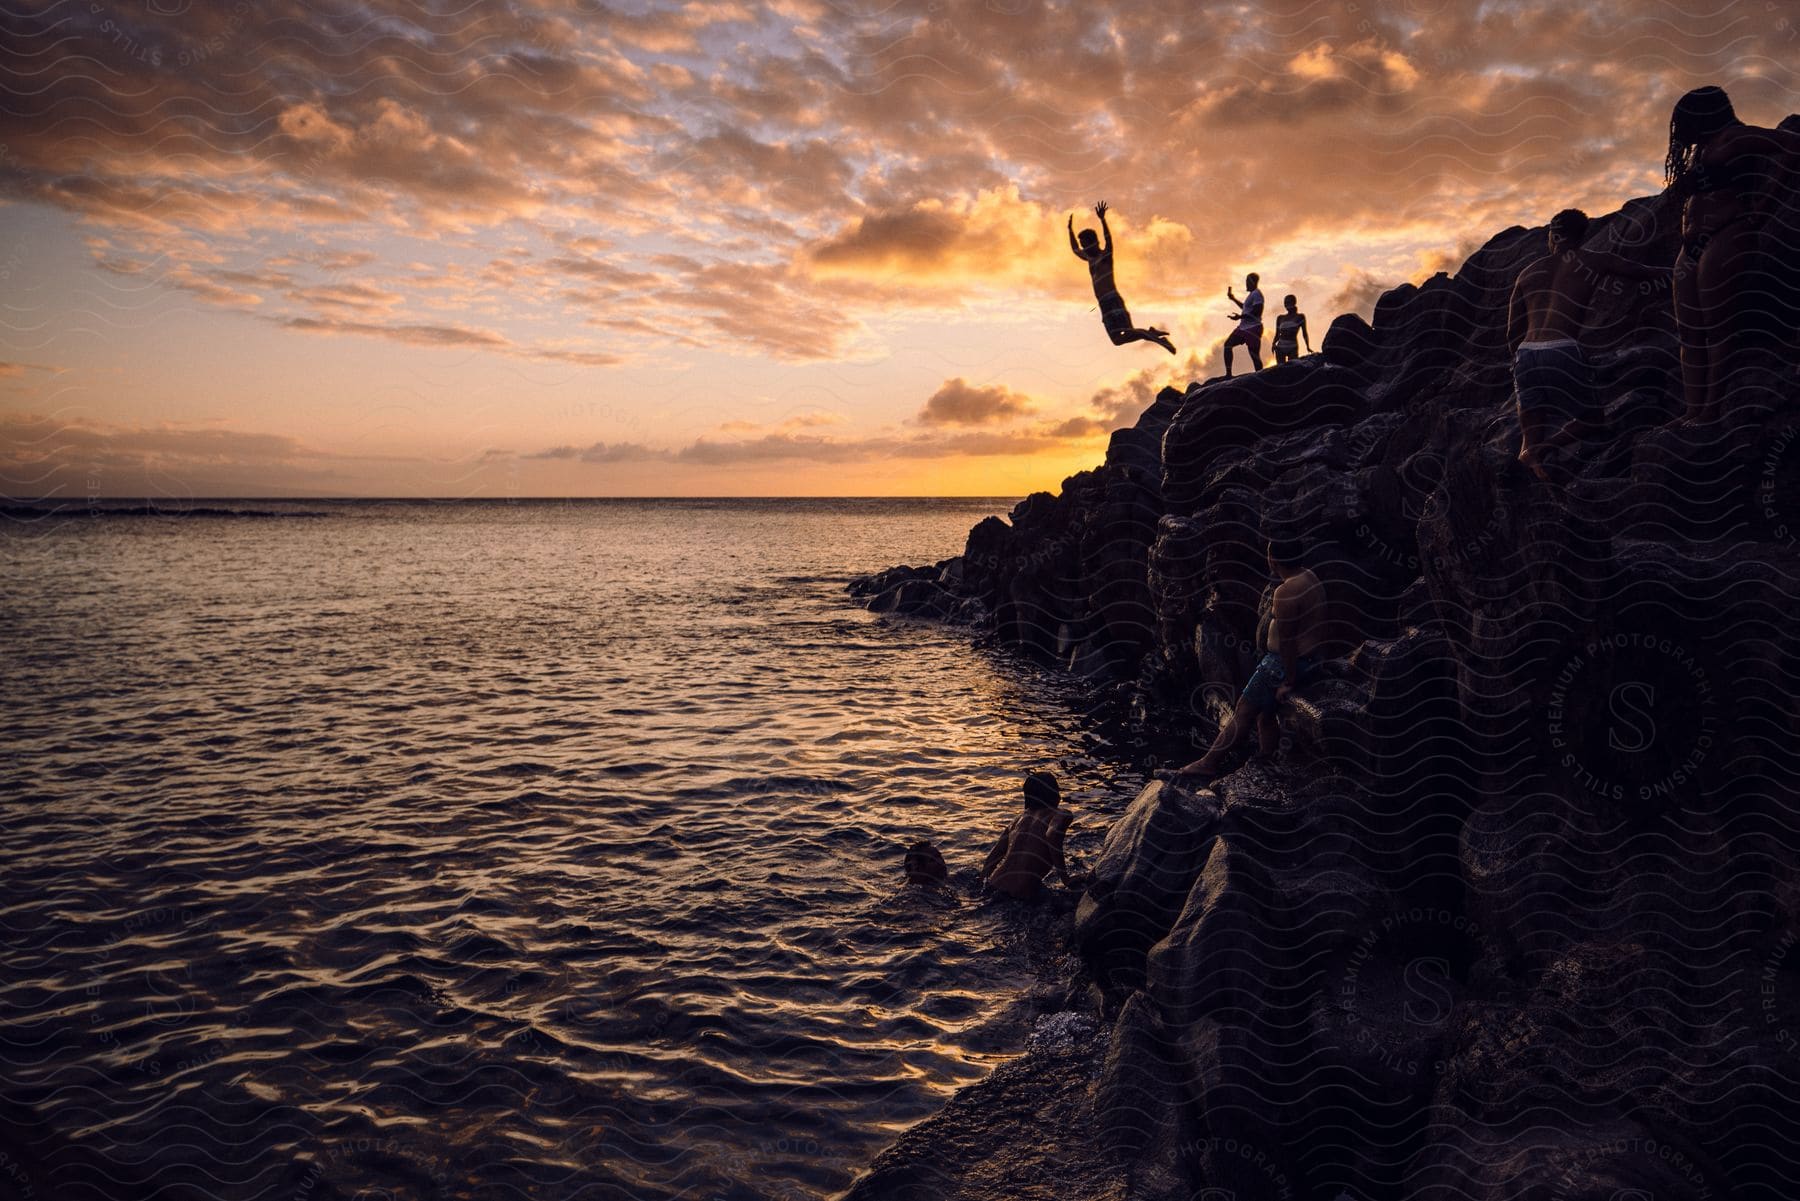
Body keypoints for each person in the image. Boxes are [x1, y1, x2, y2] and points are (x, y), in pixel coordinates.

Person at [1664, 85, 1800, 424]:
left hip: (1728, 233)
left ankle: (1710, 409)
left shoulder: (1736, 137)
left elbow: (1794, 147)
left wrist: (1765, 204)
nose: (1680, 129)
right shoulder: (1702, 149)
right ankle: (1693, 409)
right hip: (1691, 246)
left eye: (1685, 119)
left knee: (1718, 329)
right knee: (1690, 333)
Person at [1505, 208, 1670, 481]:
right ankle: (1546, 449)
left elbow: (1512, 332)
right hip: (1562, 349)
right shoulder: (1595, 259)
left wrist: (1521, 367)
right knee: (1593, 419)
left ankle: (1534, 459)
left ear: (1552, 235)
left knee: (1530, 438)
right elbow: (1644, 272)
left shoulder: (1526, 273)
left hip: (1525, 355)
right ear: (1584, 235)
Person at [1174, 540, 1329, 784]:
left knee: (1243, 710)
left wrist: (1288, 680)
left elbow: (1288, 641)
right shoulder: (1309, 577)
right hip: (1308, 658)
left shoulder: (1286, 591)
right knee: (1264, 716)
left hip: (1281, 664)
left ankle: (1208, 764)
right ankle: (1267, 758)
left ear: (1272, 560)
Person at [1068, 201, 1177, 353]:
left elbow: (1109, 241)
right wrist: (1070, 230)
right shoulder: (1090, 259)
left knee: (1128, 331)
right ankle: (1151, 333)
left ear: (1094, 242)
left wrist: (1103, 220)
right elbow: (1075, 249)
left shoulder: (1104, 256)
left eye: (1086, 244)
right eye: (1083, 245)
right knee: (1117, 340)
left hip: (1113, 300)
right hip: (1103, 304)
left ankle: (1155, 337)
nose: (1084, 248)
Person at [980, 771, 1074, 900]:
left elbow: (992, 859)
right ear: (1054, 793)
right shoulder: (1060, 814)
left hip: (994, 885)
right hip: (1021, 891)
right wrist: (1066, 879)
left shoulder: (1016, 820)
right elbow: (1052, 835)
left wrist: (981, 887)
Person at [1223, 273, 1265, 376]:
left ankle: (1261, 375)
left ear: (1252, 282)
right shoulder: (1251, 295)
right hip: (1243, 328)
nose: (1246, 284)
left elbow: (1257, 311)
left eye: (1247, 281)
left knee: (1254, 355)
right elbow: (1246, 308)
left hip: (1253, 328)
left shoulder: (1257, 294)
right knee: (1228, 345)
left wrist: (1240, 317)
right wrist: (1233, 299)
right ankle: (1228, 374)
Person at [1272, 294, 1311, 365]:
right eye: (1285, 303)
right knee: (1280, 369)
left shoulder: (1300, 317)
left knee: (1292, 368)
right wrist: (1273, 344)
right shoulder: (1280, 318)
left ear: (1294, 303)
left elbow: (1304, 333)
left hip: (1292, 346)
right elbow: (1277, 334)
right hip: (1280, 347)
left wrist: (1307, 346)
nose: (1287, 305)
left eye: (1289, 302)